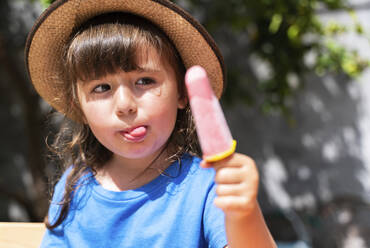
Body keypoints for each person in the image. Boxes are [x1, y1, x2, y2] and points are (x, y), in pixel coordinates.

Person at [25, 0, 276, 247]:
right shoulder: (73, 186)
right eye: (102, 88)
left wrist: (244, 215)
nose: (125, 105)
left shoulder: (209, 188)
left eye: (144, 81)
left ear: (181, 92)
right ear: (78, 105)